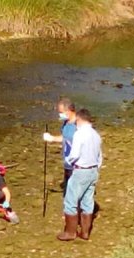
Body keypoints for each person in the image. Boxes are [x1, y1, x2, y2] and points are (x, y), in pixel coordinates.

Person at [57, 109, 102, 241]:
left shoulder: (79, 134)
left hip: (80, 170)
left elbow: (74, 154)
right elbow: (100, 157)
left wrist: (69, 162)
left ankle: (70, 232)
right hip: (93, 171)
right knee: (87, 202)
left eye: (76, 121)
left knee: (70, 201)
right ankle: (85, 232)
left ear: (80, 119)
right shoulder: (96, 135)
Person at [43, 97, 77, 195]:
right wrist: (52, 138)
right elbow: (64, 137)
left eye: (61, 112)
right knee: (68, 190)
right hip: (67, 162)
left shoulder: (79, 124)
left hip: (77, 164)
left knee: (74, 191)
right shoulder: (66, 123)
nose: (60, 115)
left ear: (69, 111)